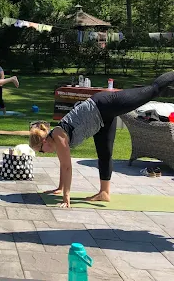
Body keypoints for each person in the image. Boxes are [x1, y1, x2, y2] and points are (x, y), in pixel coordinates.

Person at [29, 71, 174, 208]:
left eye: (41, 151)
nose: (44, 153)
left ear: (44, 142)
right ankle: (104, 193)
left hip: (105, 104)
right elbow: (63, 164)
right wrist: (60, 188)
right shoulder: (55, 138)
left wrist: (66, 198)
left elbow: (67, 167)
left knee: (152, 90)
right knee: (105, 154)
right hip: (100, 121)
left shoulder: (59, 136)